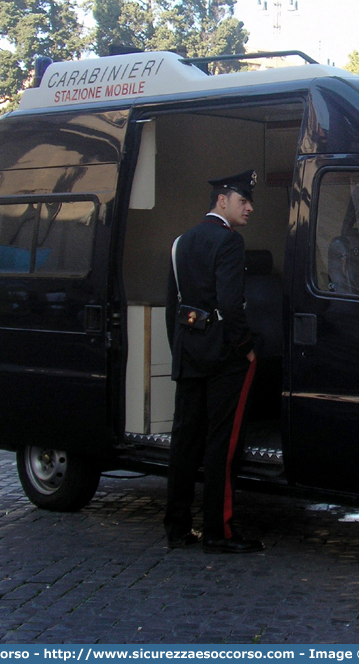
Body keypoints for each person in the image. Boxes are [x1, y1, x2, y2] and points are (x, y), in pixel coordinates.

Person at [163, 169, 263, 554]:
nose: (250, 207)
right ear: (222, 200)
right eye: (243, 200)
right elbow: (229, 304)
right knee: (223, 443)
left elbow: (173, 306)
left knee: (184, 442)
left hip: (189, 351)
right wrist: (246, 347)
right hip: (223, 356)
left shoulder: (181, 242)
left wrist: (181, 349)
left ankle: (176, 527)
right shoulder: (229, 242)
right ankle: (219, 531)